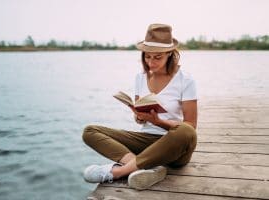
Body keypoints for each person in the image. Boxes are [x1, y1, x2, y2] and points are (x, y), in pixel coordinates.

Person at [82, 23, 197, 190]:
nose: (151, 62)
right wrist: (139, 116)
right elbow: (140, 122)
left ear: (170, 54)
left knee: (186, 131)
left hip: (175, 145)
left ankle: (119, 172)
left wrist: (159, 122)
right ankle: (146, 167)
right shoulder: (140, 78)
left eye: (157, 57)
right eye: (147, 56)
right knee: (90, 131)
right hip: (147, 142)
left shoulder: (185, 80)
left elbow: (191, 125)